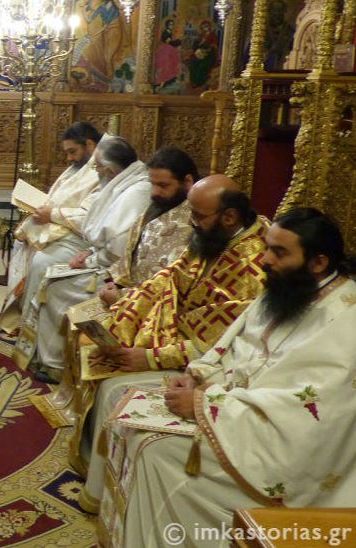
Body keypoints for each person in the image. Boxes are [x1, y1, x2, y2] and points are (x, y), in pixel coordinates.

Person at [107, 208, 356, 546]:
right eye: (267, 248)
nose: (264, 260)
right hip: (233, 410)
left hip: (280, 449)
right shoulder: (288, 290)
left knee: (156, 450)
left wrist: (204, 404)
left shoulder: (346, 321)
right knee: (128, 419)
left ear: (318, 262)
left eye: (279, 252)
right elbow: (236, 348)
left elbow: (310, 412)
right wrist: (198, 377)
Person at [77, 174, 267, 513]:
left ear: (229, 216)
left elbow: (221, 343)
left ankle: (107, 497)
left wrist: (149, 358)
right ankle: (100, 483)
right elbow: (168, 278)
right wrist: (127, 301)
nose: (190, 222)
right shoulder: (212, 238)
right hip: (173, 334)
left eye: (198, 215)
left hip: (211, 363)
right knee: (98, 353)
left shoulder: (251, 267)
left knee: (114, 387)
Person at [32, 146, 196, 426]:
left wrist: (123, 296)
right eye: (153, 184)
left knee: (86, 326)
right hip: (129, 292)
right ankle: (67, 385)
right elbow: (130, 252)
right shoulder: (157, 208)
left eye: (163, 185)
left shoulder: (191, 223)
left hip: (158, 315)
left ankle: (90, 412)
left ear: (188, 182)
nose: (155, 192)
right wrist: (114, 280)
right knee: (77, 316)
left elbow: (170, 283)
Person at [14, 137, 150, 376]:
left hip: (118, 274)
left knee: (54, 285)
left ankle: (56, 365)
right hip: (101, 258)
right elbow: (108, 237)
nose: (95, 173)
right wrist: (89, 252)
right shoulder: (124, 182)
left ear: (109, 169)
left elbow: (117, 249)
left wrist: (88, 259)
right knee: (45, 267)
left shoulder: (136, 192)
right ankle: (42, 353)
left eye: (97, 168)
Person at [1, 122, 102, 334]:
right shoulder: (78, 168)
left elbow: (89, 217)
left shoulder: (101, 172)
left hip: (80, 239)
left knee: (40, 261)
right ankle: (21, 313)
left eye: (72, 151)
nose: (69, 158)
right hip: (59, 228)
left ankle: (33, 327)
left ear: (90, 145)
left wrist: (51, 214)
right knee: (21, 245)